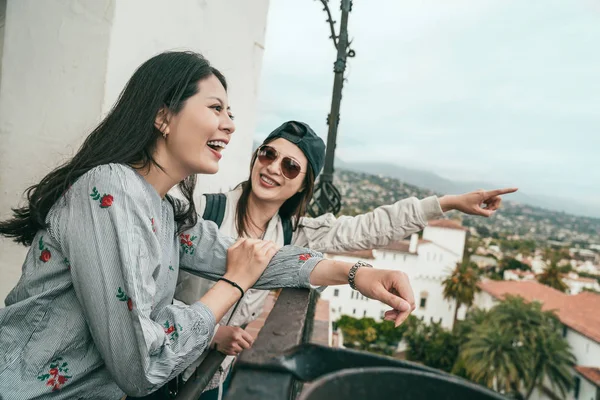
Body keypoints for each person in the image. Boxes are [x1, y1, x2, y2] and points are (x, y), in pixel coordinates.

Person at [0, 52, 418, 400]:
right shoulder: (110, 189)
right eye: (216, 108)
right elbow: (141, 365)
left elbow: (251, 257)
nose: (231, 125)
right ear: (163, 116)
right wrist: (233, 285)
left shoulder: (166, 208)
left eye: (230, 113)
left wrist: (356, 273)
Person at [175, 120, 518, 398]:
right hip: (164, 370)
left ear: (302, 185)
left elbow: (368, 228)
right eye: (267, 154)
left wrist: (448, 203)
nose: (273, 168)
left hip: (211, 382)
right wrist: (213, 333)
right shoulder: (204, 212)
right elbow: (152, 294)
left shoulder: (296, 234)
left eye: (290, 166)